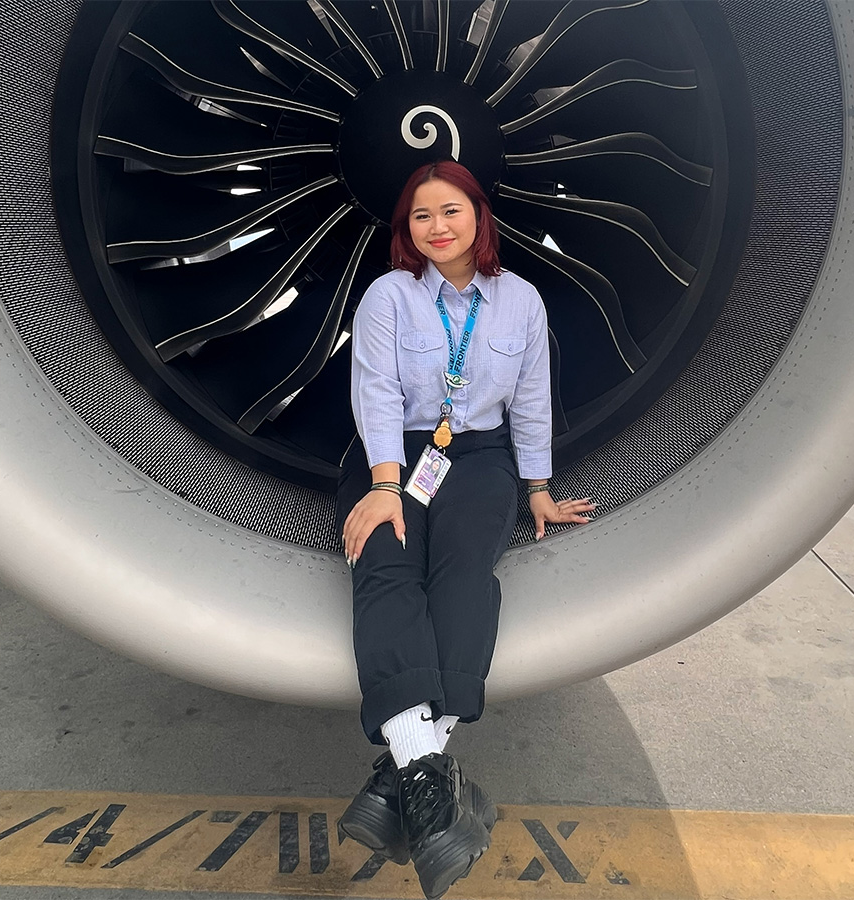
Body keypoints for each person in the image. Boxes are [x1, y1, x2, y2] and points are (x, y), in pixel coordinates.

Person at [335, 160, 595, 899]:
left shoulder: (520, 303)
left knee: (463, 569)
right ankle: (434, 786)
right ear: (405, 230)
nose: (437, 227)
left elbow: (534, 400)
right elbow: (376, 389)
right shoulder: (389, 296)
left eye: (450, 211)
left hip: (477, 457)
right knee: (383, 563)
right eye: (421, 216)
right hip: (396, 456)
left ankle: (408, 775)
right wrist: (386, 487)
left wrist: (538, 488)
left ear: (479, 217)